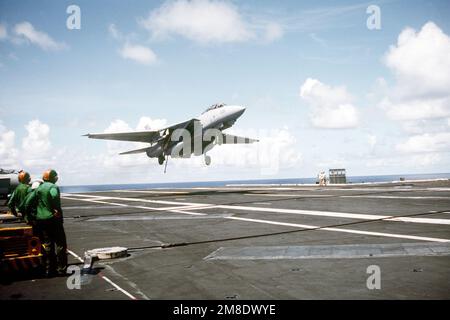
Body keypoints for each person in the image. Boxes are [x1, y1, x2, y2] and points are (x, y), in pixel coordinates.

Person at [25, 169, 67, 277]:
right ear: (53, 178)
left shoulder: (39, 188)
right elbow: (54, 196)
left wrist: (31, 216)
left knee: (48, 245)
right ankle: (61, 269)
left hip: (41, 220)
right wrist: (56, 208)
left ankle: (49, 270)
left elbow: (28, 203)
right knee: (60, 244)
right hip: (54, 219)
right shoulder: (53, 187)